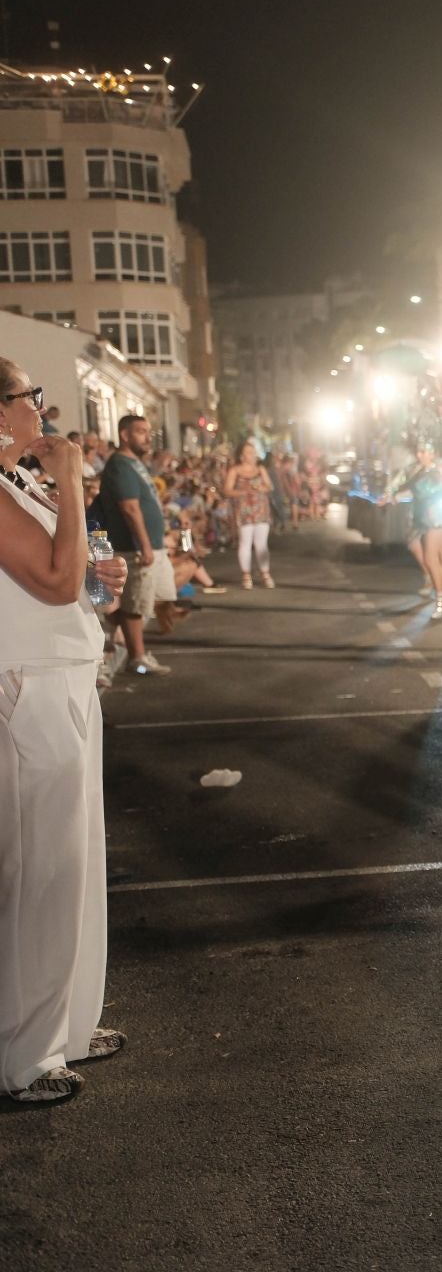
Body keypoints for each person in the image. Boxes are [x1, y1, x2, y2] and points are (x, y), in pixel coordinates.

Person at [0, 359, 126, 1102]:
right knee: (42, 871)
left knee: (77, 861)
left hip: (66, 675)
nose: (39, 406)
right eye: (27, 395)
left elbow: (66, 573)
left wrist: (92, 579)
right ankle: (27, 1055)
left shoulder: (17, 481)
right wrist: (74, 478)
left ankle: (70, 1024)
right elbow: (48, 580)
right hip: (32, 685)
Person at [98, 414, 170, 678]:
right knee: (134, 605)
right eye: (140, 431)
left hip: (139, 547)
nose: (147, 436)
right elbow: (129, 508)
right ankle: (137, 659)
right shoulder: (120, 464)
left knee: (137, 604)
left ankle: (134, 653)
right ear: (125, 435)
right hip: (131, 547)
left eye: (148, 431)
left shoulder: (134, 463)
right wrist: (145, 544)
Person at [384, 437, 442, 622]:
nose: (420, 455)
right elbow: (400, 481)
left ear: (432, 453)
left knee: (431, 557)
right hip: (420, 519)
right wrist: (391, 494)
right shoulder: (415, 469)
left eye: (424, 452)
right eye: (418, 451)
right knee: (431, 558)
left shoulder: (440, 469)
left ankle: (441, 600)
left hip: (435, 518)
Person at [223, 440, 275, 591]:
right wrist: (243, 492)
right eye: (248, 452)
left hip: (260, 509)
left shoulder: (260, 469)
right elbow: (227, 490)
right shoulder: (235, 470)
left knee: (261, 543)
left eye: (253, 452)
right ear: (241, 456)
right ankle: (246, 574)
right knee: (245, 542)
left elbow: (269, 486)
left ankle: (265, 573)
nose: (251, 455)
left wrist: (261, 488)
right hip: (244, 509)